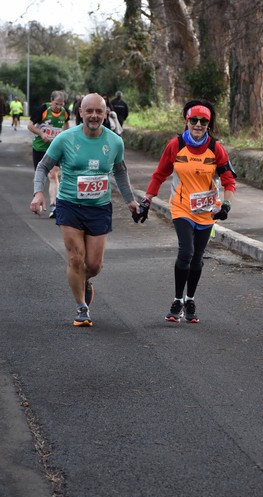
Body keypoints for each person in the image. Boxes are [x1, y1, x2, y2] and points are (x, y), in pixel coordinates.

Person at [30, 93, 140, 328]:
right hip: (70, 205)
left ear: (105, 114)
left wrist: (130, 200)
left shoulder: (114, 141)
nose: (93, 116)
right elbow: (43, 166)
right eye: (88, 111)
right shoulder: (65, 139)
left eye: (98, 112)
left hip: (99, 208)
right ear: (80, 112)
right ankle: (82, 308)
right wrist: (39, 193)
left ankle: (84, 280)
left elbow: (120, 171)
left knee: (94, 265)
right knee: (75, 258)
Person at [139, 99, 236, 323]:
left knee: (197, 259)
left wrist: (226, 206)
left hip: (207, 211)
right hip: (181, 207)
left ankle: (190, 299)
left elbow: (229, 180)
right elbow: (159, 175)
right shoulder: (176, 145)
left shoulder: (215, 148)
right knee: (186, 251)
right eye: (194, 120)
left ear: (209, 124)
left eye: (204, 121)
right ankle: (176, 300)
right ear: (187, 121)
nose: (198, 124)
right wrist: (147, 201)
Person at [28, 91, 70, 218]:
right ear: (51, 101)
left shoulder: (65, 112)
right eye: (56, 104)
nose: (58, 107)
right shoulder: (43, 109)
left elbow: (66, 125)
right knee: (40, 176)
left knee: (53, 174)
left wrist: (65, 137)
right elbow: (30, 125)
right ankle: (38, 195)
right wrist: (42, 134)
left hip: (55, 148)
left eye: (61, 104)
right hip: (40, 147)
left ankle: (54, 205)